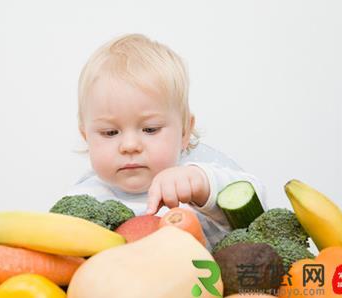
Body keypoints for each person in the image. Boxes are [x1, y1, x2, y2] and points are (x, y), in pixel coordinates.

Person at [66, 33, 266, 250]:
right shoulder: (84, 200)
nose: (130, 145)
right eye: (110, 132)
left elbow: (260, 211)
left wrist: (203, 186)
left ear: (184, 132)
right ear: (87, 137)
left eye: (150, 129)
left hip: (202, 283)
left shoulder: (194, 180)